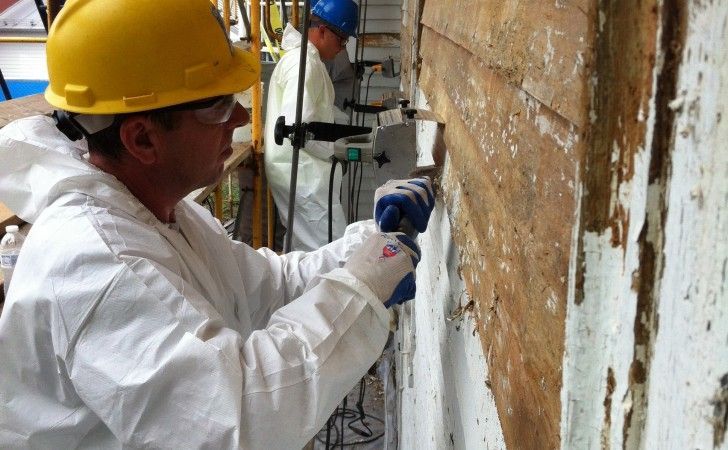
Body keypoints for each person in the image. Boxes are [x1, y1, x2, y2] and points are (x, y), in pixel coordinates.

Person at [0, 0, 435, 448]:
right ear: (142, 138)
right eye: (219, 106)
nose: (243, 118)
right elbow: (241, 415)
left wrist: (367, 246)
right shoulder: (94, 265)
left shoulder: (159, 210)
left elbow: (270, 284)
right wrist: (361, 291)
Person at [264, 0, 359, 251]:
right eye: (342, 40)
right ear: (322, 30)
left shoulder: (308, 61)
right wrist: (338, 148)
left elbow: (317, 110)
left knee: (307, 248)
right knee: (329, 250)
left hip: (305, 171)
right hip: (303, 173)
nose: (342, 48)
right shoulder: (303, 64)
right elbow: (300, 129)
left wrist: (346, 126)